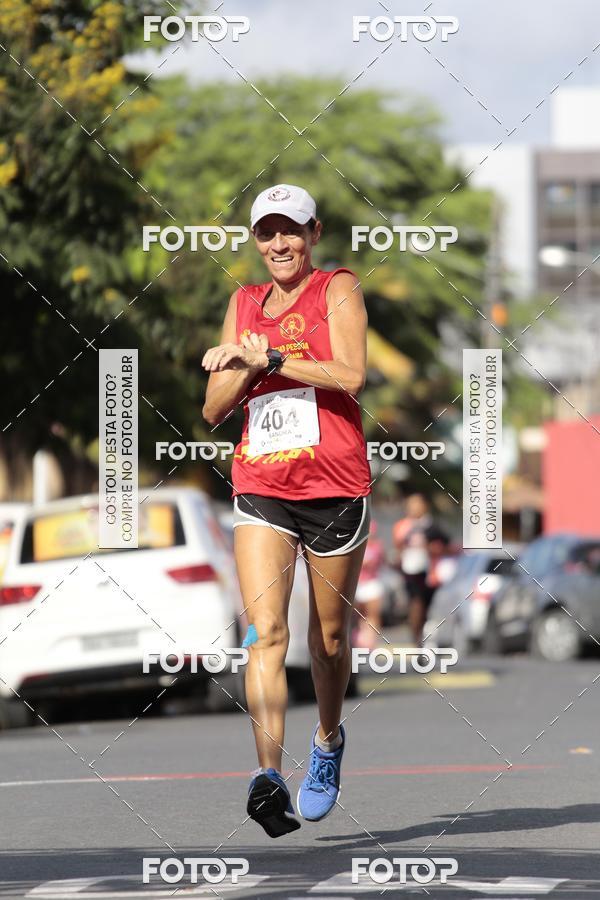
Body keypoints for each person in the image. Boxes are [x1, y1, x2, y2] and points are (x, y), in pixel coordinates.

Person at [202, 184, 372, 838]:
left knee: (327, 643)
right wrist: (238, 365)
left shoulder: (338, 288)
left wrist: (268, 355)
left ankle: (327, 741)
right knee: (265, 633)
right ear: (255, 240)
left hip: (334, 485)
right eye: (267, 232)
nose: (279, 243)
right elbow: (214, 408)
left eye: (291, 231)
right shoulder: (242, 303)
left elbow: (352, 374)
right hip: (263, 485)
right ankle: (268, 776)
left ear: (314, 233)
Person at [392, 493, 432, 645]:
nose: (414, 508)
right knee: (416, 603)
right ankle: (417, 639)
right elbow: (398, 546)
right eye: (411, 505)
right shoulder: (403, 526)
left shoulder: (430, 524)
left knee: (426, 606)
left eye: (418, 504)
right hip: (411, 570)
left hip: (430, 571)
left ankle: (423, 634)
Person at [354, 520, 385, 650]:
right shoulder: (356, 546)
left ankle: (371, 640)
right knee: (357, 615)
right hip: (357, 584)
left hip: (371, 584)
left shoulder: (377, 547)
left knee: (373, 614)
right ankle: (358, 639)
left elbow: (376, 562)